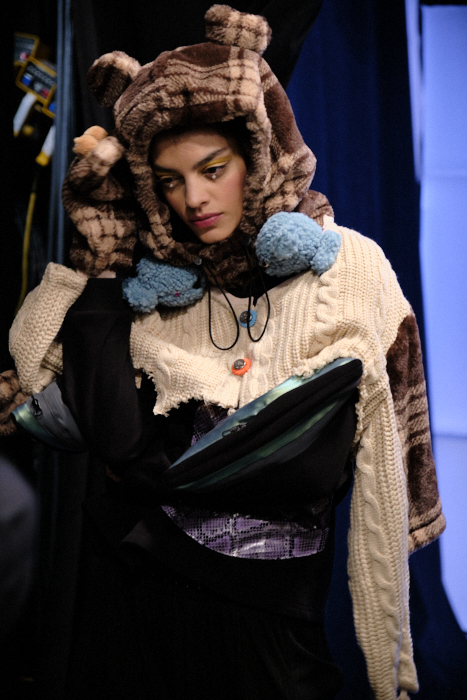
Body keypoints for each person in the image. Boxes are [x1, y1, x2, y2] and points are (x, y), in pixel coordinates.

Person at [6, 5, 445, 700]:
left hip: (274, 622)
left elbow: (380, 478)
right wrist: (108, 253)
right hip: (138, 605)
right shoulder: (161, 284)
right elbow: (109, 434)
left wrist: (389, 670)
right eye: (170, 180)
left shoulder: (348, 271)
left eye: (213, 169)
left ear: (259, 154)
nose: (194, 199)